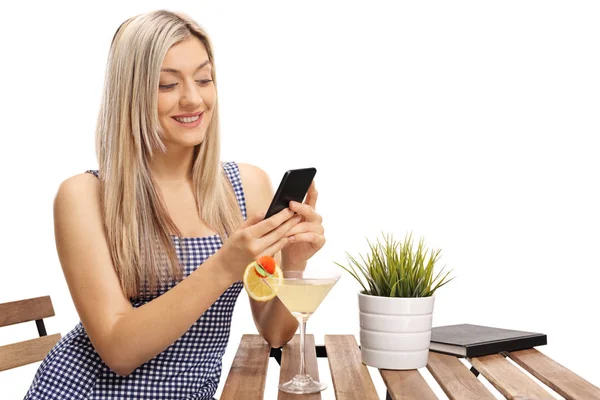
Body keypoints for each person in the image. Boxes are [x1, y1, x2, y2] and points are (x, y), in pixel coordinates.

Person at [24, 9, 325, 400]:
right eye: (167, 85)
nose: (193, 98)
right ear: (130, 94)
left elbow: (274, 332)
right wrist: (224, 265)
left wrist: (296, 263)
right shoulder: (85, 196)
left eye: (204, 79)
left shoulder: (246, 185)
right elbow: (118, 350)